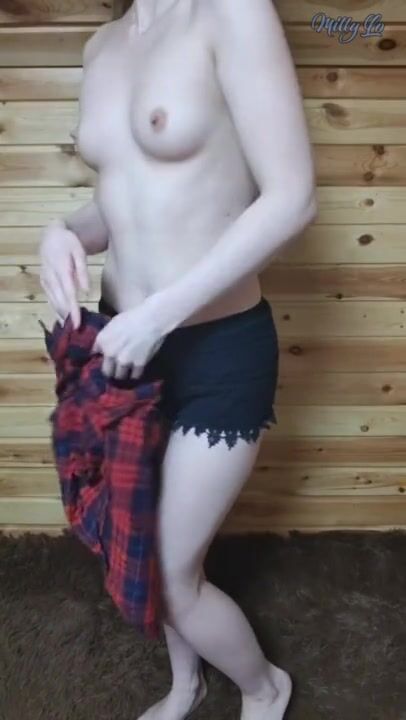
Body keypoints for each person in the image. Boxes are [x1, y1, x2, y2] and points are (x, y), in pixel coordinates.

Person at [38, 0, 317, 717]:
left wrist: (159, 315)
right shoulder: (104, 44)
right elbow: (125, 194)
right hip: (123, 348)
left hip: (216, 348)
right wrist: (62, 230)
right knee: (138, 534)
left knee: (167, 565)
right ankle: (185, 685)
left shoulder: (231, 12)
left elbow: (292, 199)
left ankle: (265, 688)